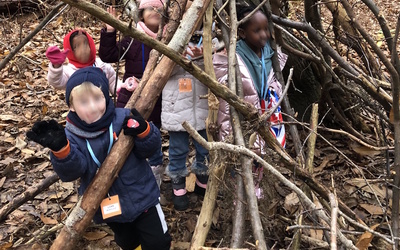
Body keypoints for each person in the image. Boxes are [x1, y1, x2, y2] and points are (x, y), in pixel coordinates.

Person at [27, 67, 171, 250]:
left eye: (97, 98)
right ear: (71, 106)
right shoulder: (71, 137)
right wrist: (62, 151)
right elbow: (73, 171)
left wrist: (145, 131)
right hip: (108, 204)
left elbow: (149, 149)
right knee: (128, 241)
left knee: (158, 242)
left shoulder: (123, 118)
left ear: (106, 97)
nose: (93, 107)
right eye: (84, 102)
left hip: (143, 196)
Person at [213, 6, 287, 199]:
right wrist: (229, 133)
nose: (264, 35)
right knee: (243, 158)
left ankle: (258, 188)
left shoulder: (271, 56)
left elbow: (274, 85)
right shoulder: (230, 59)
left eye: (266, 29)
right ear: (243, 33)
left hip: (265, 118)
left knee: (261, 155)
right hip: (243, 122)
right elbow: (226, 103)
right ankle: (241, 194)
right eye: (257, 30)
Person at [99, 0, 164, 187]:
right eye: (151, 8)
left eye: (160, 9)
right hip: (130, 98)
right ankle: (125, 173)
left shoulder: (167, 40)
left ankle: (154, 176)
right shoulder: (134, 38)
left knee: (152, 135)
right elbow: (109, 54)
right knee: (125, 132)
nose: (155, 11)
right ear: (141, 14)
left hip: (156, 100)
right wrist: (110, 31)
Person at [162, 36, 209, 211]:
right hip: (177, 108)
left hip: (202, 105)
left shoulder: (212, 41)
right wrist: (176, 57)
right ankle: (178, 184)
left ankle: (202, 179)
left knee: (204, 147)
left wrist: (203, 58)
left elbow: (215, 73)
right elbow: (163, 72)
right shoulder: (171, 40)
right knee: (178, 149)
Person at [46, 29, 120, 95]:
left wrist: (121, 90)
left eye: (85, 43)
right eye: (76, 46)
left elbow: (113, 82)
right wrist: (56, 65)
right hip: (80, 108)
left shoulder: (102, 65)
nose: (83, 50)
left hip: (103, 106)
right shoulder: (69, 71)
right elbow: (56, 82)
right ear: (70, 51)